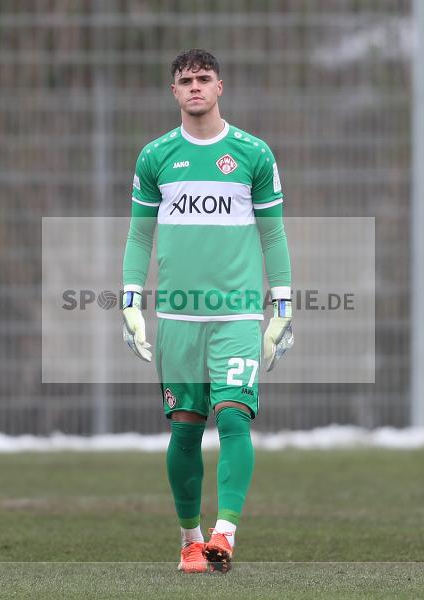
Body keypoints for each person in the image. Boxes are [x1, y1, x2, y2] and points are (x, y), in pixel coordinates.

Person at [120, 49, 293, 574]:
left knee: (235, 418)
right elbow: (139, 234)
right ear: (174, 91)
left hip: (237, 316)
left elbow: (273, 233)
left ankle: (226, 533)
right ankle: (191, 539)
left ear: (221, 87)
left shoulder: (252, 154)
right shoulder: (155, 157)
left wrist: (282, 303)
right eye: (185, 81)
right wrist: (130, 300)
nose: (194, 87)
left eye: (203, 79)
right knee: (186, 430)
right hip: (178, 318)